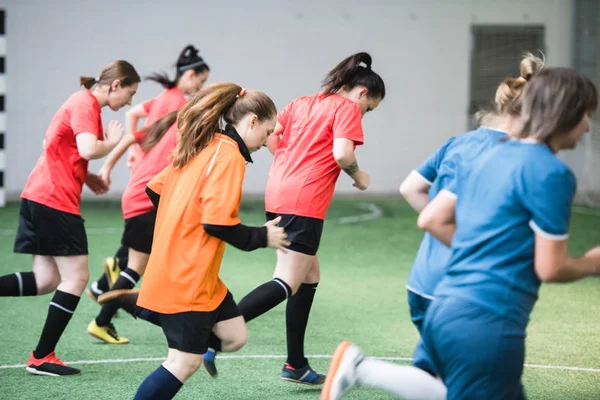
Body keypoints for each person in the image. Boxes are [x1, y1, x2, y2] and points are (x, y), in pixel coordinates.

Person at [329, 67, 600, 400]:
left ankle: (365, 369)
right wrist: (592, 262)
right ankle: (361, 368)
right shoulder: (552, 172)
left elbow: (433, 217)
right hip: (488, 322)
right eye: (586, 115)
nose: (588, 126)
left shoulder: (488, 153)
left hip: (443, 309)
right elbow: (551, 267)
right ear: (566, 113)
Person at [204, 52, 385, 385]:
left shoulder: (302, 102)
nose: (365, 113)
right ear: (361, 93)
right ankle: (213, 336)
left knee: (309, 275)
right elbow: (343, 153)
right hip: (305, 201)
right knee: (287, 280)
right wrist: (359, 177)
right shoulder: (347, 108)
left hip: (279, 192)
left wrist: (292, 162)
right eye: (369, 107)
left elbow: (273, 136)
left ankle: (295, 364)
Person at [132, 82, 289, 400]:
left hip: (197, 276)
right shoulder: (228, 156)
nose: (268, 140)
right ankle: (154, 312)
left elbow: (155, 189)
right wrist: (262, 236)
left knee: (233, 336)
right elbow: (217, 223)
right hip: (186, 278)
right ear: (252, 121)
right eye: (269, 130)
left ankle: (151, 309)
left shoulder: (206, 144)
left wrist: (180, 224)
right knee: (182, 363)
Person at [0, 61, 140, 376]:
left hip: (39, 196)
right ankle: (42, 356)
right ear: (115, 85)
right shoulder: (86, 103)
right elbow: (89, 147)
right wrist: (113, 143)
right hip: (54, 201)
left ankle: (42, 356)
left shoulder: (79, 103)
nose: (130, 101)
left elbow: (54, 147)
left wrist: (86, 176)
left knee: (45, 281)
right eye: (130, 93)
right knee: (76, 278)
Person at [86, 45, 209, 304]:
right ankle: (108, 306)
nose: (200, 86)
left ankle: (102, 287)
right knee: (142, 255)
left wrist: (135, 155)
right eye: (201, 80)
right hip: (151, 184)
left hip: (146, 179)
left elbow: (135, 118)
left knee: (140, 245)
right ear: (190, 75)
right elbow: (167, 144)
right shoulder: (176, 104)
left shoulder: (167, 98)